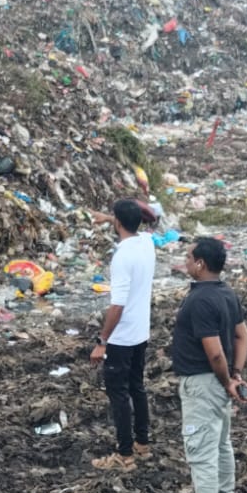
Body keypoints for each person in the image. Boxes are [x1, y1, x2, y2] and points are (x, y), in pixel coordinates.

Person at [166, 236, 247, 493]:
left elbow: (214, 353)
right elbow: (242, 336)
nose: (185, 262)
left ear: (201, 264)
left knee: (201, 453)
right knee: (221, 445)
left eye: (188, 257)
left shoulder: (200, 301)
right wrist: (236, 375)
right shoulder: (227, 293)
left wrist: (227, 378)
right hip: (220, 381)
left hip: (203, 383)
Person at [90, 199, 155, 471]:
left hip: (121, 337)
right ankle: (142, 444)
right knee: (137, 388)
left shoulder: (122, 257)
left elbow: (117, 305)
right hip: (141, 333)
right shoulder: (147, 244)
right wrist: (110, 218)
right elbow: (143, 221)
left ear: (118, 222)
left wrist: (102, 342)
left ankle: (124, 455)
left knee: (118, 395)